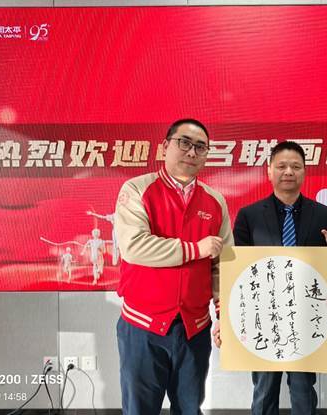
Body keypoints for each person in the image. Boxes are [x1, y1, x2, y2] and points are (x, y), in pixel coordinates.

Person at [214, 141, 327, 415]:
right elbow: (238, 274)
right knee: (264, 391)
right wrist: (227, 319)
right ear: (269, 171)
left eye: (295, 166)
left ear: (304, 172)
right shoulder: (249, 216)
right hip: (264, 315)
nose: (288, 172)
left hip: (306, 318)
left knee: (303, 391)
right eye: (282, 166)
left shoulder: (324, 214)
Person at [114, 119, 233, 415]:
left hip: (194, 328)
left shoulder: (215, 201)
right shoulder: (137, 190)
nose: (192, 152)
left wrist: (225, 315)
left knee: (190, 409)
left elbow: (222, 266)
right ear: (165, 147)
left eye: (201, 147)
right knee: (139, 410)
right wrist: (196, 249)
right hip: (142, 326)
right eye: (184, 143)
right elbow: (134, 246)